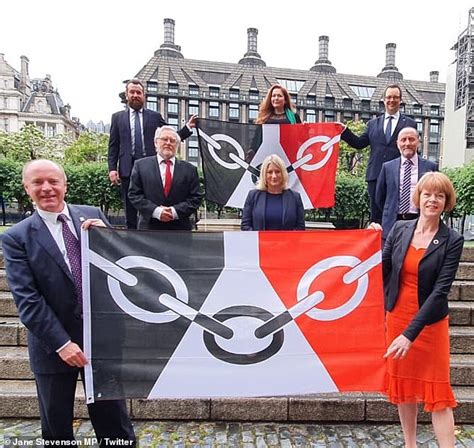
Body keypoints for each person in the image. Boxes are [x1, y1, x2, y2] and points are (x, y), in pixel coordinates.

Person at [2, 160, 135, 445]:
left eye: (53, 181)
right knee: (57, 429)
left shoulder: (93, 215)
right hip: (53, 348)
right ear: (27, 189)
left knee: (116, 426)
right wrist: (62, 343)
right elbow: (28, 300)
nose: (46, 188)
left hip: (101, 342)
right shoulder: (16, 237)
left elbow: (124, 270)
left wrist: (109, 239)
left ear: (65, 185)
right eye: (37, 183)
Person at [372, 172, 463, 448]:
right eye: (427, 194)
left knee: (438, 393)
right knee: (404, 388)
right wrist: (371, 241)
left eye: (439, 195)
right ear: (418, 197)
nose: (432, 200)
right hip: (397, 316)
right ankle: (410, 444)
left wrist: (409, 335)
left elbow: (440, 292)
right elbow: (382, 267)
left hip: (428, 325)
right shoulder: (400, 229)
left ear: (446, 201)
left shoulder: (452, 239)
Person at [108, 79, 197, 229]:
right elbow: (113, 145)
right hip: (127, 169)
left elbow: (170, 136)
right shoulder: (117, 117)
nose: (135, 95)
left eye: (139, 92)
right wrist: (112, 168)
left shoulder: (154, 116)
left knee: (152, 210)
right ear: (126, 94)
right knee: (130, 211)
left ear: (144, 96)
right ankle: (132, 245)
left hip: (152, 170)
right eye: (132, 92)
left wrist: (188, 128)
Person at [341, 84, 416, 222]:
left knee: (396, 214)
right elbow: (359, 144)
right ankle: (377, 243)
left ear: (400, 100)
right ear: (383, 100)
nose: (391, 100)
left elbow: (413, 150)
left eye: (395, 97)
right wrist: (344, 131)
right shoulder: (372, 124)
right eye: (388, 97)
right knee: (376, 217)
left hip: (398, 176)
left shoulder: (410, 124)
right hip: (375, 176)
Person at [128, 125, 202, 230]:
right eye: (164, 139)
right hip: (149, 230)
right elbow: (134, 195)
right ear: (155, 142)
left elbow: (196, 198)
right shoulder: (140, 166)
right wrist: (156, 211)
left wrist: (174, 211)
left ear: (177, 145)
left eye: (172, 140)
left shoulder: (190, 169)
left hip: (180, 231)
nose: (168, 143)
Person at [376, 127, 438, 240]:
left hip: (420, 222)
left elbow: (436, 193)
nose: (407, 143)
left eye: (411, 139)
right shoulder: (387, 167)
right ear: (397, 143)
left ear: (418, 142)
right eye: (403, 140)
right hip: (392, 224)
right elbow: (380, 197)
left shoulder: (430, 167)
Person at [241, 154, 305, 230]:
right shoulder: (253, 196)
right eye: (270, 172)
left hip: (287, 242)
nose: (274, 176)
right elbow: (245, 226)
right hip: (260, 242)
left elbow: (300, 227)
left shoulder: (295, 198)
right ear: (264, 175)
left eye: (277, 172)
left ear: (283, 174)